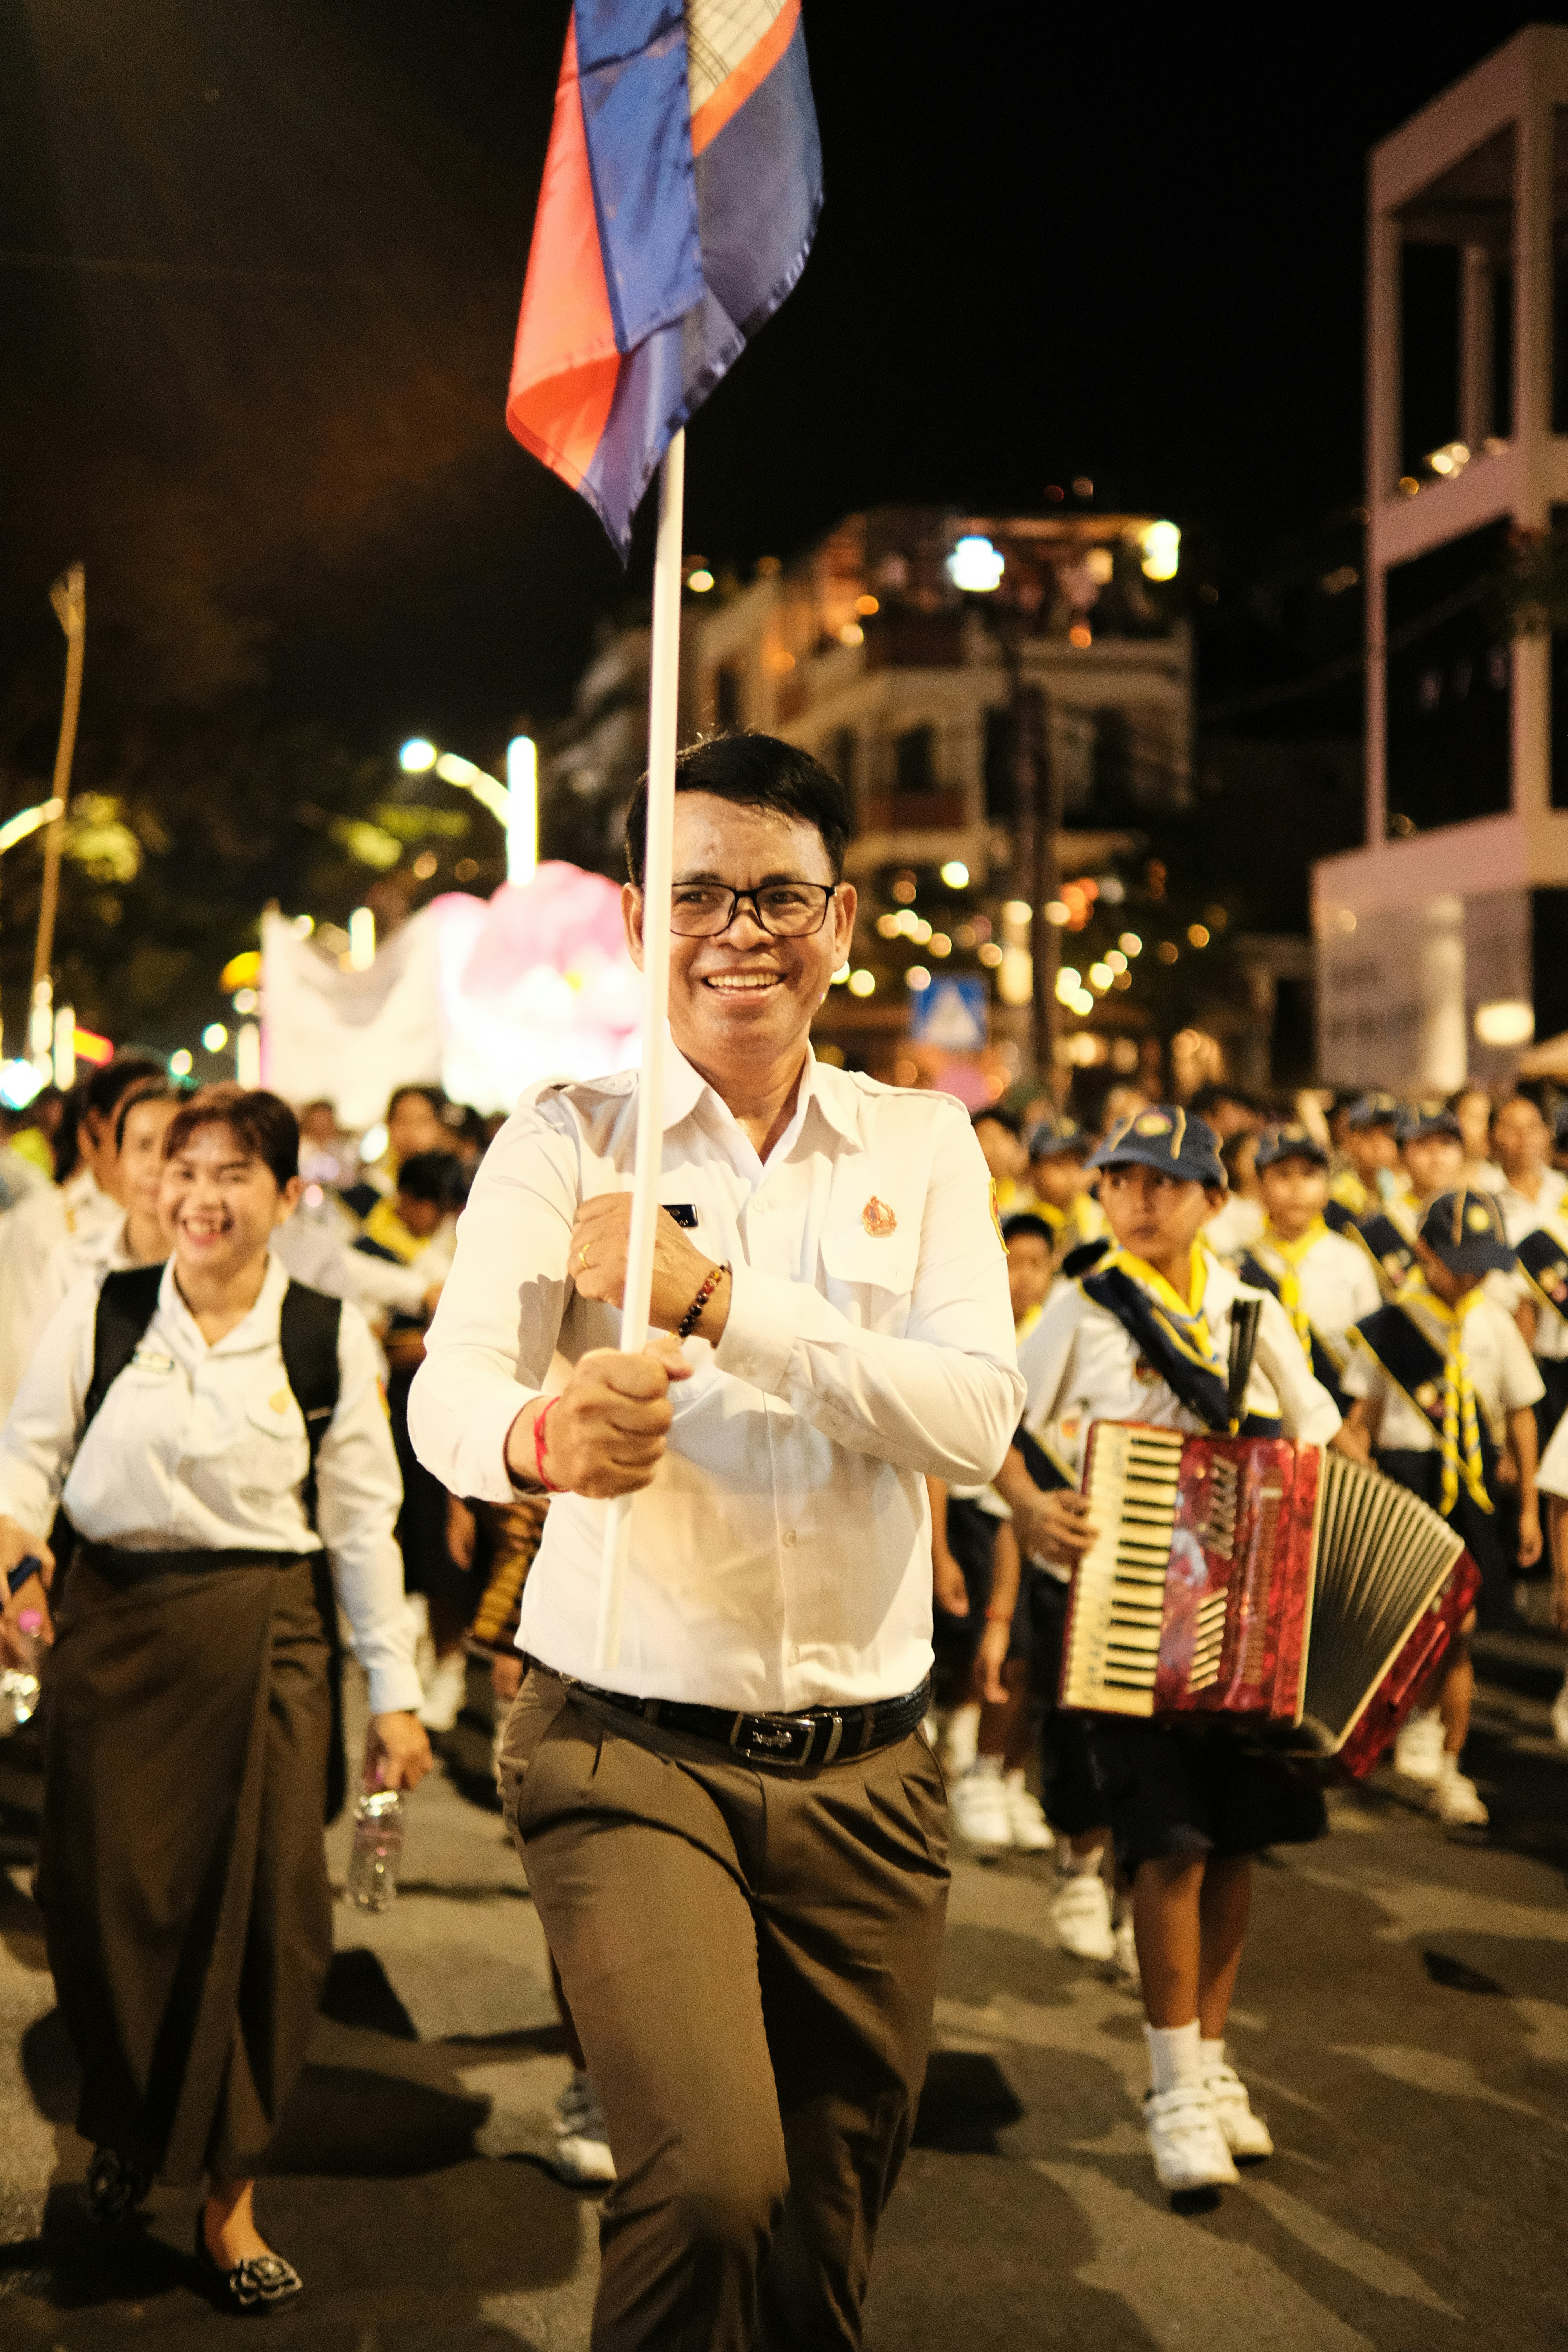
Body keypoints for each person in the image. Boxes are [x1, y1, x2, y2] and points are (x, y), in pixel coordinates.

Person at [408, 730, 1022, 2350]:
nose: (735, 930)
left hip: (872, 1772)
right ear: (633, 921)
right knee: (709, 2186)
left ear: (839, 923)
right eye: (696, 895)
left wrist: (726, 1310)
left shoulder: (923, 1146)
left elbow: (974, 1423)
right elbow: (451, 1390)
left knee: (827, 2239)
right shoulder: (563, 1143)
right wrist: (542, 1436)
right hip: (627, 1749)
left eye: (775, 895)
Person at [0, 1088, 430, 2310]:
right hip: (113, 1637)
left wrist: (394, 1695)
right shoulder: (107, 1307)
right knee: (101, 1906)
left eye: (232, 1172)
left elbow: (361, 1526)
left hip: (266, 1641)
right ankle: (133, 2122)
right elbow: (29, 1451)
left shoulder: (323, 1334)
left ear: (284, 1196)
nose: (199, 1193)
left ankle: (230, 2200)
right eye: (182, 1168)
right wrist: (14, 1532)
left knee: (270, 1924)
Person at [1006, 1106, 1346, 2194]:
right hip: (1125, 1615)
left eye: (1162, 1181)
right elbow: (1000, 1417)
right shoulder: (1083, 1306)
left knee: (1239, 1841)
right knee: (1170, 1843)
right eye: (1120, 1180)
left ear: (1210, 1198)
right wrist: (1030, 1506)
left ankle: (1208, 2058)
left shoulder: (1254, 1309)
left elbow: (1319, 1436)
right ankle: (1169, 2085)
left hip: (1243, 1618)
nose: (1137, 1198)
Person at [1340, 1190, 1543, 1831]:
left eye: (1483, 1263)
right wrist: (1356, 1467)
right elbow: (1361, 1419)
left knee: (1461, 1629)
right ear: (1424, 1251)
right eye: (1460, 1261)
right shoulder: (1393, 1323)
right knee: (1397, 1620)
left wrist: (1530, 1507)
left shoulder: (1494, 1323)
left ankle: (1452, 1764)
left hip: (1471, 1487)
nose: (1473, 1275)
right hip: (1407, 1478)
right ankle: (1393, 1727)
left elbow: (1521, 1413)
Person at [931, 1212, 1058, 1853]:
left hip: (1027, 1510)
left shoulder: (1056, 1331)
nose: (1024, 1277)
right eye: (1013, 1261)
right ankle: (964, 1745)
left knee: (1023, 1649)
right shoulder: (961, 1324)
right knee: (965, 1638)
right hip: (970, 1503)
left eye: (1038, 1263)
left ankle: (1001, 1774)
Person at [355, 1149, 467, 1731]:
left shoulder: (458, 1245)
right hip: (389, 1410)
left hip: (444, 1407)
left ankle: (447, 1666)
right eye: (428, 1206)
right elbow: (369, 1335)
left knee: (440, 1545)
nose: (434, 1218)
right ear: (408, 1199)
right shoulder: (370, 1249)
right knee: (393, 1537)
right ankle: (412, 1656)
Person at [0, 1058, 162, 1418]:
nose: (157, 1160)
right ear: (95, 1129)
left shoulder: (184, 1227)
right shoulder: (46, 1223)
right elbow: (17, 1367)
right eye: (143, 1137)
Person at [1234, 1126, 1381, 1416]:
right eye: (1283, 1175)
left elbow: (1371, 1354)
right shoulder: (1240, 1263)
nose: (1296, 1188)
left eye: (1309, 1175)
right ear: (1260, 1187)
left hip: (1340, 1409)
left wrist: (1359, 1420)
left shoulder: (1351, 1260)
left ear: (1328, 1188)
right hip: (1264, 1412)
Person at [28, 1082, 180, 1348]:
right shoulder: (74, 1264)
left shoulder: (215, 1268)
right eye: (143, 1146)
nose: (157, 1165)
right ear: (118, 1160)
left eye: (172, 1149)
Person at [1488, 1094, 1568, 1445]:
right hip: (1535, 1363)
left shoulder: (1565, 1192)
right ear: (1493, 1136)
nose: (1524, 1139)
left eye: (1533, 1127)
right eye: (1512, 1128)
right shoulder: (1484, 1206)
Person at [1023, 1120, 1103, 1267]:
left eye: (1077, 1162)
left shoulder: (1099, 1214)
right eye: (1059, 1163)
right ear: (1033, 1170)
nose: (1070, 1172)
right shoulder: (1021, 1221)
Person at [1203, 1128, 1264, 1260]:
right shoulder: (1219, 1202)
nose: (1259, 1162)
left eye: (1262, 1155)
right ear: (1232, 1160)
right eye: (1252, 1155)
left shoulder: (1278, 1207)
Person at [971, 1103, 1031, 1217]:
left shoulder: (1033, 1195)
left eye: (991, 1140)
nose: (985, 1150)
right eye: (979, 1140)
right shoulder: (971, 1194)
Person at [1450, 1083, 1503, 1192]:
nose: (1485, 1129)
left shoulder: (1497, 1182)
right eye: (1476, 1118)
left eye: (1488, 1120)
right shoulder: (1431, 1175)